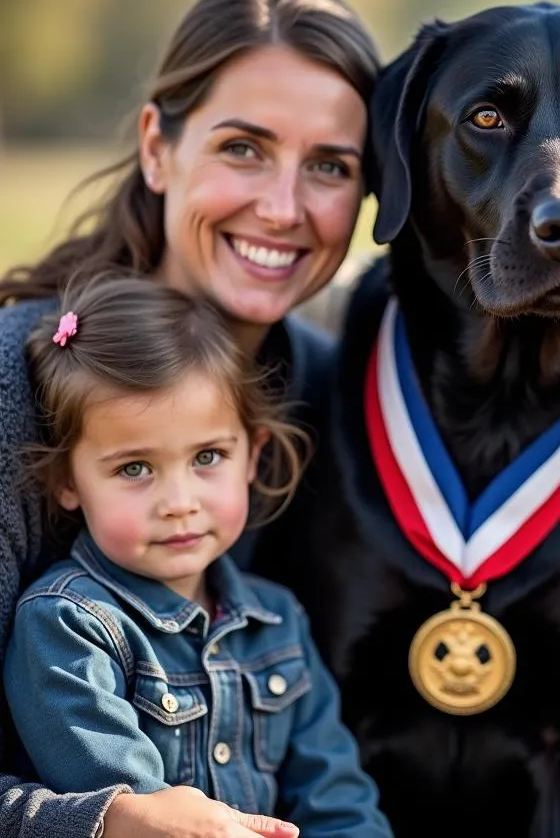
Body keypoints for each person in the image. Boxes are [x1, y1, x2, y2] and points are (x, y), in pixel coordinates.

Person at [0, 0, 379, 838]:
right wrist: (101, 821)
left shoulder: (326, 388)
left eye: (329, 165)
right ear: (157, 148)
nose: (282, 208)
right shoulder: (15, 386)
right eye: (242, 147)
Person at [4, 276, 392, 838]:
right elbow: (145, 816)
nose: (180, 504)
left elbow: (337, 797)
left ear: (252, 454)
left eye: (208, 456)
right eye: (134, 468)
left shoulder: (279, 621)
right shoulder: (66, 626)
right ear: (68, 480)